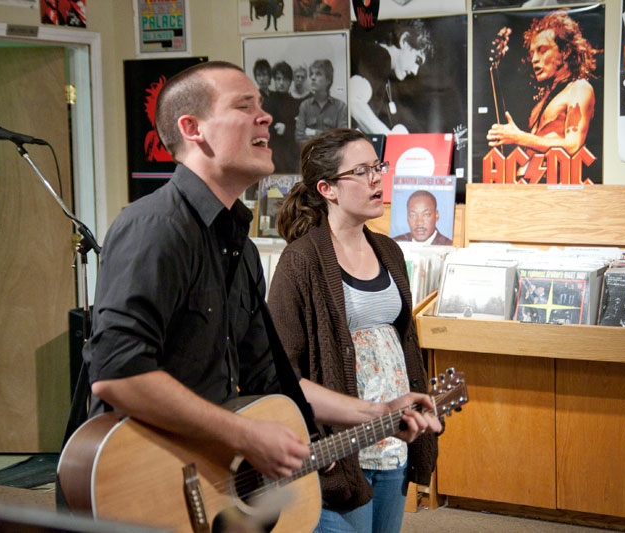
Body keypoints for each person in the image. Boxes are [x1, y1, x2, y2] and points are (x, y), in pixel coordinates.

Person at [82, 62, 439, 507]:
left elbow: (269, 378)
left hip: (210, 480)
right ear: (192, 129)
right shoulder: (154, 227)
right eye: (243, 105)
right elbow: (118, 375)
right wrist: (246, 435)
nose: (266, 116)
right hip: (142, 486)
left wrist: (379, 413)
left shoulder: (241, 247)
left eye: (263, 106)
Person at [267, 128, 439, 533]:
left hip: (392, 441)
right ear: (327, 188)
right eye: (361, 171)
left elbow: (403, 344)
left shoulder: (390, 251)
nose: (377, 179)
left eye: (378, 167)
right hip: (338, 450)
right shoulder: (300, 261)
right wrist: (310, 437)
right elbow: (280, 371)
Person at [486, 10, 598, 166]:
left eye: (542, 50)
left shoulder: (579, 88)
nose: (534, 60)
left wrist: (519, 137)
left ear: (564, 51)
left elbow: (574, 147)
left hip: (556, 186)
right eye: (532, 53)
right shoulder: (543, 100)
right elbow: (536, 147)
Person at [350, 18, 434, 135]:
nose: (415, 71)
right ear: (404, 41)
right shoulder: (381, 56)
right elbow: (353, 101)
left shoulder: (382, 66)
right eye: (417, 60)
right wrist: (390, 140)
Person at [294, 59, 348, 147]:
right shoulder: (305, 106)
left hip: (332, 158)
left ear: (328, 80)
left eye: (318, 74)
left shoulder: (341, 107)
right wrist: (328, 136)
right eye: (312, 74)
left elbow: (342, 140)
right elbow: (299, 138)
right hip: (310, 157)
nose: (313, 78)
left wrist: (313, 133)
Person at [267, 61, 301, 173]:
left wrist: (286, 129)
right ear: (274, 81)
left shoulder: (295, 104)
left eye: (285, 79)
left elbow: (299, 128)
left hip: (290, 153)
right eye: (278, 79)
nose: (281, 83)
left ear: (290, 81)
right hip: (272, 153)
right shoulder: (267, 102)